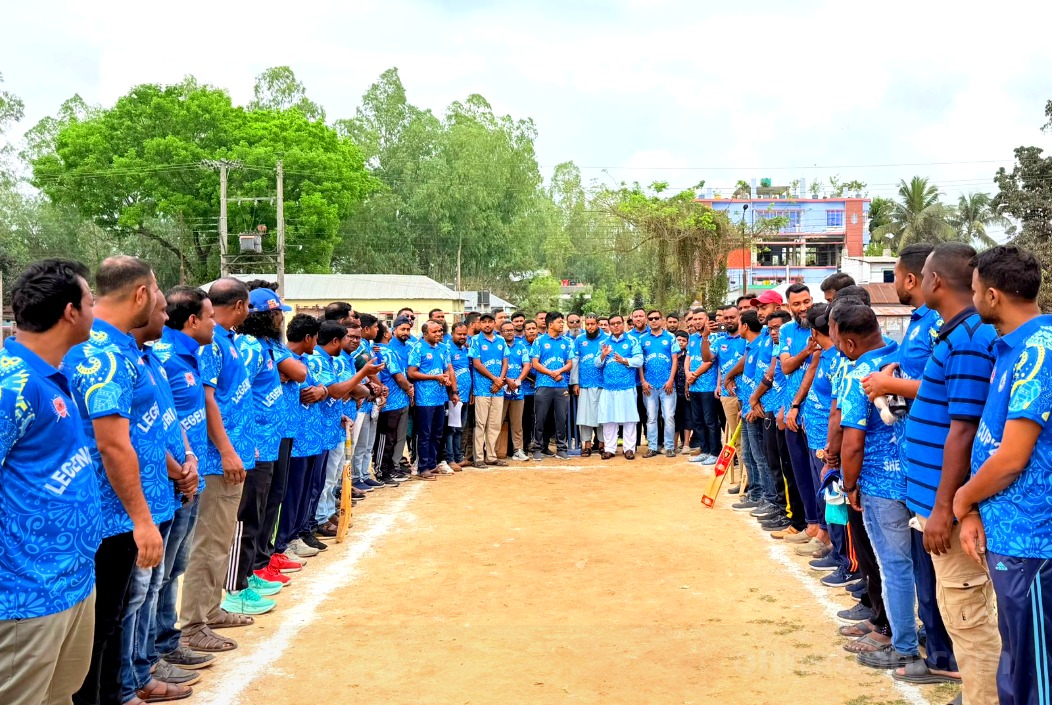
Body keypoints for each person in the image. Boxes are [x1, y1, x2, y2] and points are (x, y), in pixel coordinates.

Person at [63, 257, 168, 705]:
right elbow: (112, 443)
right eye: (157, 290)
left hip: (111, 510)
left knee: (107, 626)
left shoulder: (114, 346)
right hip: (110, 514)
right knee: (101, 629)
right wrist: (140, 519)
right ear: (140, 294)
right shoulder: (103, 353)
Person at [0, 260, 100, 705]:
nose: (95, 312)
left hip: (72, 582)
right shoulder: (12, 384)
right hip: (26, 595)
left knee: (61, 696)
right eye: (91, 302)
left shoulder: (53, 377)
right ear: (70, 312)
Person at [954, 245, 1049, 704]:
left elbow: (1012, 458)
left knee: (1035, 673)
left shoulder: (1039, 351)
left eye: (973, 292)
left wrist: (963, 499)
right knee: (1016, 664)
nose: (972, 300)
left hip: (1034, 540)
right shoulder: (1011, 349)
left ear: (992, 296)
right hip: (1010, 531)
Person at [836, 303, 931, 672]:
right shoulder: (901, 354)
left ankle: (903, 646)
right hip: (917, 476)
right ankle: (925, 634)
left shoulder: (858, 372)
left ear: (846, 342)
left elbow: (853, 440)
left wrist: (849, 484)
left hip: (880, 483)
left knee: (895, 567)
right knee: (922, 567)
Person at [177, 277, 255, 656]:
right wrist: (225, 450)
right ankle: (193, 625)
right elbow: (207, 401)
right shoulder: (211, 344)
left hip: (231, 456)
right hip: (214, 461)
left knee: (220, 540)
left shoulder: (225, 340)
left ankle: (209, 609)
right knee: (208, 543)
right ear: (239, 305)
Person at [149, 287, 222, 678]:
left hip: (189, 474)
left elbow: (178, 423)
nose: (213, 323)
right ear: (192, 321)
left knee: (175, 564)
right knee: (158, 573)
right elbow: (152, 428)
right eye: (209, 316)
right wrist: (180, 471)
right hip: (172, 482)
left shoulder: (187, 357)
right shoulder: (167, 360)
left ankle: (166, 641)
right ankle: (154, 652)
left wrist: (191, 460)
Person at [274, 314, 328, 563]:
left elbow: (315, 388)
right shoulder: (282, 359)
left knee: (304, 490)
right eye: (315, 338)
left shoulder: (302, 361)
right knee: (290, 493)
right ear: (308, 338)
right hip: (289, 437)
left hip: (306, 436)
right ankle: (282, 542)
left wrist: (320, 391)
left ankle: (294, 536)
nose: (316, 343)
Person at [778, 284, 822, 545]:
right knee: (800, 472)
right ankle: (811, 524)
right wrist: (806, 351)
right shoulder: (786, 331)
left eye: (806, 301)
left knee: (819, 473)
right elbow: (785, 367)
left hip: (814, 411)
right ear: (788, 307)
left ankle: (822, 529)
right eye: (797, 304)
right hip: (792, 412)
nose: (803, 307)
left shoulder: (823, 326)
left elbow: (814, 368)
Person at [408, 321, 458, 480]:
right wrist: (434, 377)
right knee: (424, 434)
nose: (439, 334)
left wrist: (446, 379)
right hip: (424, 399)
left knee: (437, 433)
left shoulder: (443, 348)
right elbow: (412, 373)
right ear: (425, 334)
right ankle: (422, 467)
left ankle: (431, 463)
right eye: (435, 331)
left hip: (440, 397)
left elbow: (446, 369)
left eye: (440, 331)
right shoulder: (418, 348)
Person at [705, 305, 746, 486]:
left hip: (748, 394)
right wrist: (705, 337)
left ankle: (752, 481)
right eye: (726, 317)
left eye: (732, 317)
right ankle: (744, 481)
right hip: (728, 396)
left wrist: (730, 376)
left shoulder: (747, 338)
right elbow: (708, 358)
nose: (728, 320)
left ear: (739, 317)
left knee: (751, 442)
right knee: (737, 440)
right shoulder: (719, 340)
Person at [595, 315, 644, 459]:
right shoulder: (604, 343)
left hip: (627, 387)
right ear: (609, 326)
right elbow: (596, 363)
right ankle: (610, 448)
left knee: (629, 418)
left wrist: (624, 360)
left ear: (622, 324)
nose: (615, 326)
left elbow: (640, 360)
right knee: (609, 418)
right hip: (608, 387)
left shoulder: (632, 341)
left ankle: (629, 449)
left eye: (618, 323)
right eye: (612, 324)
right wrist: (603, 356)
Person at [529, 311, 575, 461]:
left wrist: (559, 371)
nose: (562, 324)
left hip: (561, 385)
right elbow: (535, 363)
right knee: (540, 418)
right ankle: (538, 448)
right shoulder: (539, 341)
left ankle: (562, 448)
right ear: (550, 324)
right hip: (543, 384)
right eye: (559, 322)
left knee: (561, 418)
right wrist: (551, 373)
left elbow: (570, 363)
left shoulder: (567, 342)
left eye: (562, 322)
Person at [373, 323, 414, 484]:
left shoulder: (379, 350)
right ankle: (382, 470)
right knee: (386, 438)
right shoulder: (385, 352)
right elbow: (398, 377)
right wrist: (409, 388)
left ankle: (390, 468)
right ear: (387, 334)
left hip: (397, 401)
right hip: (390, 402)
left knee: (392, 437)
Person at [469, 313, 509, 468]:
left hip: (498, 389)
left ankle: (491, 456)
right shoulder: (475, 340)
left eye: (490, 322)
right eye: (484, 322)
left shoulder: (501, 340)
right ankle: (478, 457)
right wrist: (495, 379)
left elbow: (505, 361)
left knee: (494, 424)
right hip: (482, 389)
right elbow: (477, 364)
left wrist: (500, 380)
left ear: (494, 323)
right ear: (480, 324)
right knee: (480, 424)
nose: (487, 325)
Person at [640, 309, 679, 458]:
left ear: (662, 320)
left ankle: (669, 447)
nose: (654, 320)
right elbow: (640, 363)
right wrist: (643, 381)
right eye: (651, 318)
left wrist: (670, 380)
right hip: (649, 386)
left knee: (668, 416)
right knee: (651, 417)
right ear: (648, 321)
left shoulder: (670, 337)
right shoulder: (643, 339)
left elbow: (675, 360)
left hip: (667, 385)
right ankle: (652, 446)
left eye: (657, 318)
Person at [686, 308, 720, 464]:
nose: (697, 321)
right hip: (693, 386)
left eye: (700, 318)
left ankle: (714, 452)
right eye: (694, 318)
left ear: (707, 319)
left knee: (710, 421)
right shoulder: (692, 338)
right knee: (697, 421)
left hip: (708, 386)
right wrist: (687, 374)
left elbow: (709, 361)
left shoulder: (714, 337)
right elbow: (688, 357)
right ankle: (704, 450)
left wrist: (694, 375)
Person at [573, 314, 606, 457]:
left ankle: (602, 444)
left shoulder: (606, 339)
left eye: (593, 324)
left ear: (598, 324)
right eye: (588, 324)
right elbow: (575, 361)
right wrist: (575, 382)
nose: (590, 327)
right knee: (584, 416)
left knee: (602, 415)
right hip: (585, 383)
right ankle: (586, 444)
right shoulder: (579, 340)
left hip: (602, 383)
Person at [501, 321, 532, 461]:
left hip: (518, 389)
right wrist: (507, 380)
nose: (509, 332)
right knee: (497, 421)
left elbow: (527, 365)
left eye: (511, 330)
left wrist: (517, 381)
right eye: (506, 330)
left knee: (517, 422)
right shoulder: (498, 346)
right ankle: (494, 451)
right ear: (501, 332)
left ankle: (518, 450)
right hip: (500, 389)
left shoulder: (521, 347)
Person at [444, 322, 472, 470]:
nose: (462, 337)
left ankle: (459, 457)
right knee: (451, 429)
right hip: (454, 396)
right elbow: (448, 372)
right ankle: (450, 459)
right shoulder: (447, 349)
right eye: (459, 334)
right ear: (452, 334)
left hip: (465, 396)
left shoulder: (466, 349)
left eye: (464, 334)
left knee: (460, 428)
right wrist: (453, 393)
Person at [673, 330, 693, 453]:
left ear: (687, 343)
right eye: (678, 340)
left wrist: (688, 386)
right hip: (673, 390)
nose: (680, 342)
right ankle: (673, 444)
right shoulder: (673, 356)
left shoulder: (688, 357)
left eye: (683, 340)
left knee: (687, 416)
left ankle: (686, 444)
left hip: (686, 390)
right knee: (675, 417)